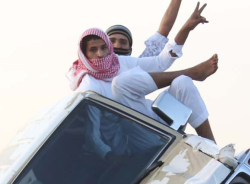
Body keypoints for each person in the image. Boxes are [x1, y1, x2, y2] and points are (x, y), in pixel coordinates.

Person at [68, 28, 218, 142]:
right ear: (84, 55)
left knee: (182, 82)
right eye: (93, 50)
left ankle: (214, 150)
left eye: (103, 48)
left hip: (158, 120)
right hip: (135, 135)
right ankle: (193, 72)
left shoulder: (119, 62)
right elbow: (94, 130)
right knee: (119, 83)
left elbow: (160, 62)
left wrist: (186, 28)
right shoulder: (88, 86)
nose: (100, 54)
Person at [107, 0, 194, 58]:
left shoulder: (139, 68)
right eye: (112, 41)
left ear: (129, 49)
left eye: (123, 42)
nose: (117, 45)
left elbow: (163, 31)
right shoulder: (92, 70)